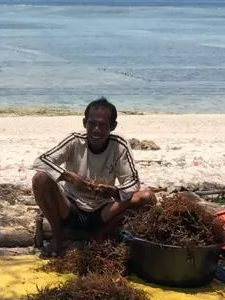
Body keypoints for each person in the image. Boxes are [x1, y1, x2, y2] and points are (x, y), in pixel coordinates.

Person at [32, 97, 156, 254]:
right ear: (85, 123)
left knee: (147, 197)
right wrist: (71, 178)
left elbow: (132, 182)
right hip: (70, 207)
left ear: (113, 126)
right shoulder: (75, 141)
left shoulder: (119, 145)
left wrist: (113, 191)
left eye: (103, 125)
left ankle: (101, 233)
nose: (96, 129)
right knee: (40, 179)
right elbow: (40, 161)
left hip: (103, 211)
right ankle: (58, 236)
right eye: (92, 124)